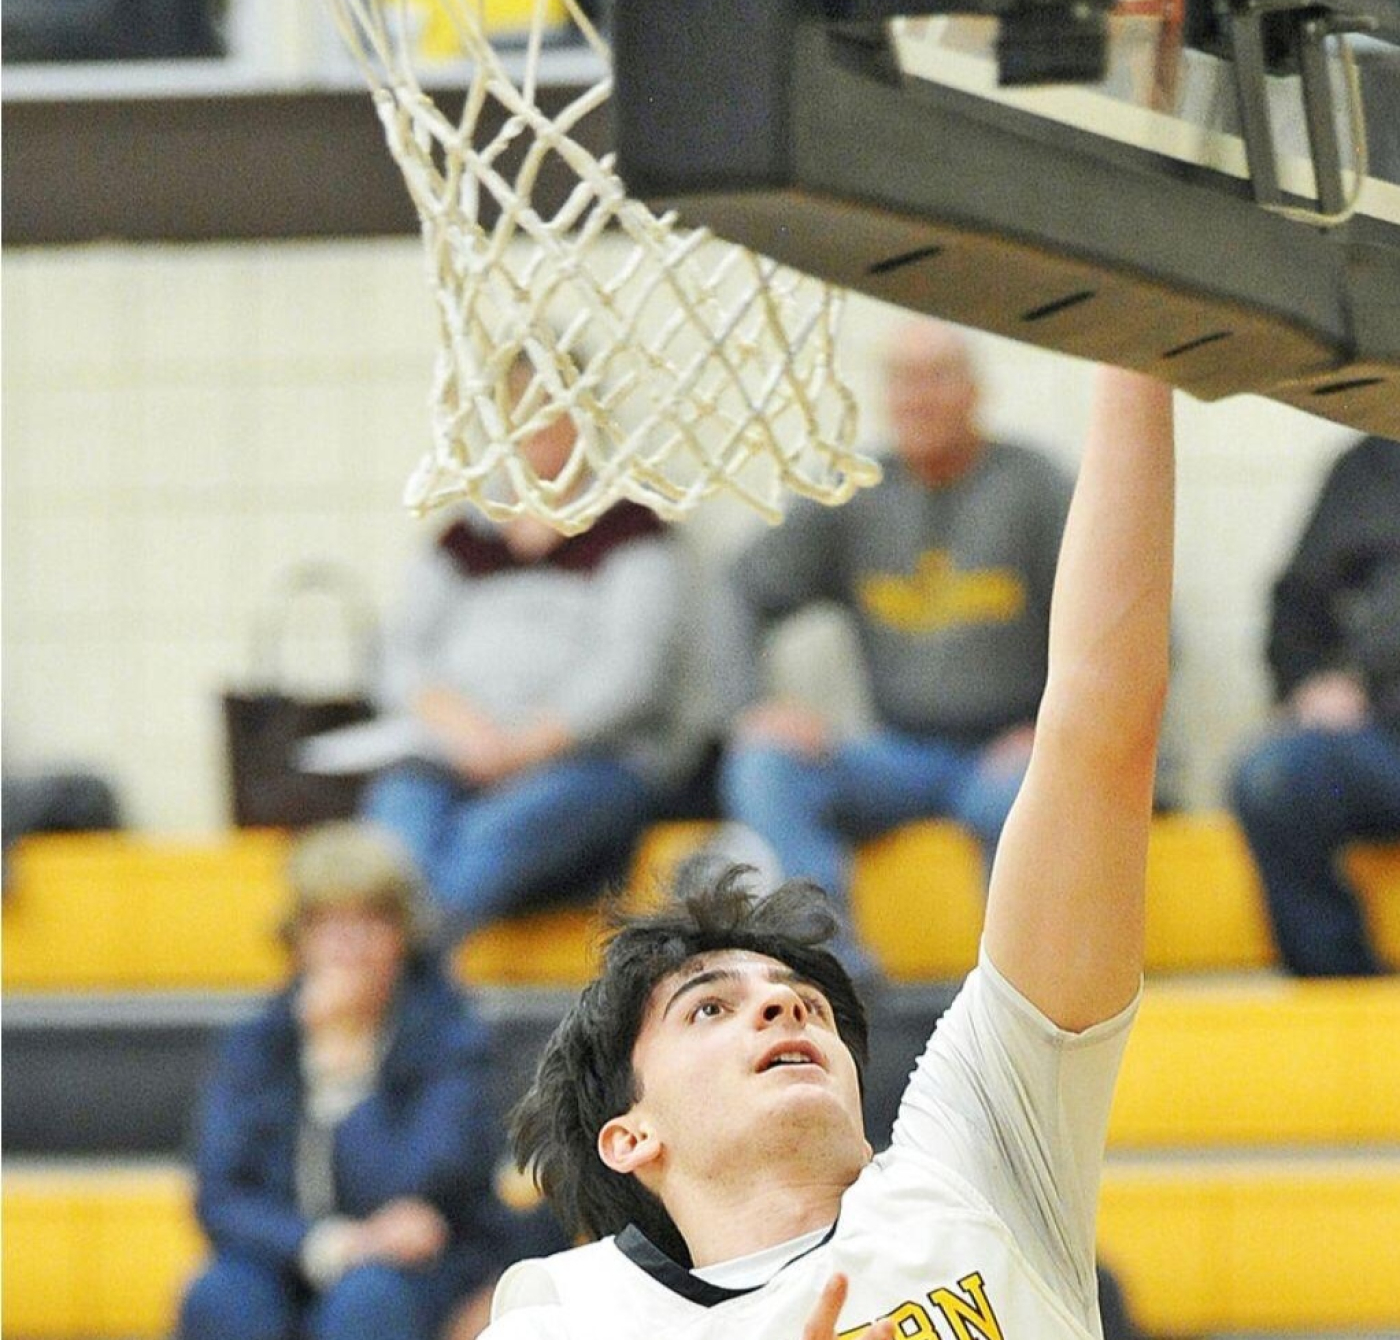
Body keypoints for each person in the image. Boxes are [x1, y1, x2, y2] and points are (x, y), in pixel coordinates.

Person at [481, 364, 1176, 1339]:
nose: (781, 1003)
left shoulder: (973, 1162)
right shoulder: (573, 1314)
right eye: (709, 1006)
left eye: (799, 995)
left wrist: (1136, 352)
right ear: (631, 1134)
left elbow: (1099, 730)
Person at [717, 319, 1073, 959]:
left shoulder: (1035, 487)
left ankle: (1018, 992)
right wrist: (754, 706)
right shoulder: (855, 492)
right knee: (765, 766)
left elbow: (1122, 629)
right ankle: (828, 967)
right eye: (903, 381)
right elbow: (741, 588)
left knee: (1019, 803)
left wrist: (1057, 733)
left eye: (937, 378)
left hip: (1015, 751)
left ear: (975, 391)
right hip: (896, 752)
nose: (919, 398)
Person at [361, 359, 688, 943]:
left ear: (587, 420)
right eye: (520, 412)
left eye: (553, 412)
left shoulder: (632, 531)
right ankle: (405, 960)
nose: (538, 429)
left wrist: (520, 748)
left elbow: (633, 671)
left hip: (586, 764)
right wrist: (463, 731)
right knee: (392, 835)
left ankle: (401, 963)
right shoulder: (463, 535)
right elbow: (399, 655)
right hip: (452, 755)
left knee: (489, 840)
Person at [179, 822, 516, 1340]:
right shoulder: (259, 1040)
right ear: (298, 939)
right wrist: (331, 1245)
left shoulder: (451, 1039)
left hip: (427, 1265)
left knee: (367, 1298)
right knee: (222, 1296)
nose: (348, 946)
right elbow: (220, 1198)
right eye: (328, 925)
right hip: (293, 1256)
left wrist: (346, 1062)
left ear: (404, 936)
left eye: (369, 922)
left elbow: (413, 1189)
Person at [1229, 435, 1400, 976]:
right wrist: (1310, 684)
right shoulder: (1372, 465)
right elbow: (1296, 607)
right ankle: (1344, 991)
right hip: (1382, 742)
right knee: (1274, 778)